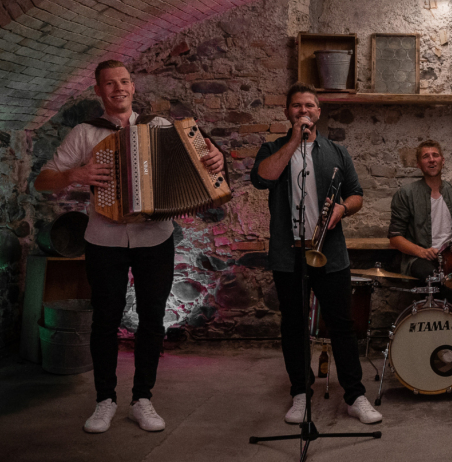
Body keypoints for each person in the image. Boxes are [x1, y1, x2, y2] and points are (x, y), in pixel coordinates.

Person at [34, 60, 225, 434]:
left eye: (124, 81)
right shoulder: (86, 133)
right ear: (98, 91)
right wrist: (75, 174)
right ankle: (105, 400)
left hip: (155, 238)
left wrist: (214, 156)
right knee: (105, 320)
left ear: (133, 87)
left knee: (152, 318)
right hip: (103, 240)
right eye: (109, 83)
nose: (118, 88)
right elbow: (43, 180)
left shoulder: (159, 127)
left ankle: (143, 399)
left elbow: (202, 159)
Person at [252, 82, 381, 425]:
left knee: (342, 324)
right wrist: (294, 141)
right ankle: (300, 393)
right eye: (297, 106)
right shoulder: (273, 148)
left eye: (309, 105)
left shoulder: (337, 152)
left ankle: (355, 395)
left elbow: (356, 194)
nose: (304, 110)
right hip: (289, 254)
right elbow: (263, 178)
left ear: (319, 112)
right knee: (294, 326)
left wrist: (343, 208)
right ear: (287, 112)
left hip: (329, 251)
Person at [387, 140, 452, 281]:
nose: (431, 160)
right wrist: (422, 252)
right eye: (425, 157)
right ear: (418, 164)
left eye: (435, 155)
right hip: (420, 259)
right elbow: (395, 237)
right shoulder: (406, 194)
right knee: (434, 277)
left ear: (442, 161)